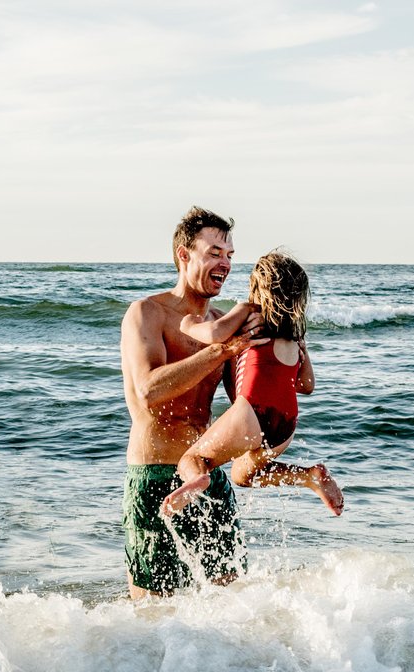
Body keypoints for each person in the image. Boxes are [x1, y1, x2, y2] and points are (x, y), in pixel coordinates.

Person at [120, 207, 263, 598]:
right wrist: (220, 351)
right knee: (152, 614)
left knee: (233, 603)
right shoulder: (148, 313)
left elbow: (245, 405)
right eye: (214, 253)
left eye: (229, 255)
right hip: (155, 477)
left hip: (208, 476)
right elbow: (149, 389)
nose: (225, 263)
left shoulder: (224, 323)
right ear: (184, 255)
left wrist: (281, 344)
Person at [161, 251, 343, 521]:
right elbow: (306, 386)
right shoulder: (295, 336)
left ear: (258, 287)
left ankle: (197, 479)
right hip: (286, 422)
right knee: (243, 475)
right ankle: (309, 476)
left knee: (193, 460)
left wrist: (188, 325)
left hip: (251, 411)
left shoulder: (249, 312)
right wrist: (303, 352)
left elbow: (214, 333)